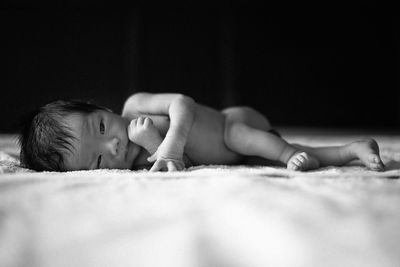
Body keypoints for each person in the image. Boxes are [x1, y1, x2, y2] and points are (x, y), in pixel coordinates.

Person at [19, 92, 385, 172]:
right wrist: (153, 146)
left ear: (103, 108)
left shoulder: (135, 106)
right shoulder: (138, 164)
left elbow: (183, 103)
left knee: (251, 141)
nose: (113, 144)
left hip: (233, 124)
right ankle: (353, 149)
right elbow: (187, 166)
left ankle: (287, 154)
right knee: (295, 156)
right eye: (98, 158)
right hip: (238, 156)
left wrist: (171, 141)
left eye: (100, 126)